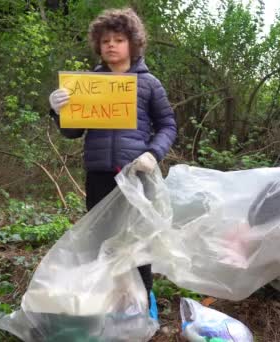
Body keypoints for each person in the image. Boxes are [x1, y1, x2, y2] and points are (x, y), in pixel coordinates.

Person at [47, 7, 177, 309]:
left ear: (133, 43)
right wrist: (58, 111)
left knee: (138, 244)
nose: (111, 45)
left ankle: (145, 305)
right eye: (105, 40)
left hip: (136, 176)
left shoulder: (149, 84)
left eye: (118, 39)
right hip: (99, 176)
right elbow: (72, 132)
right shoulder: (86, 83)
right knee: (102, 244)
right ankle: (109, 305)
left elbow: (168, 125)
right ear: (98, 45)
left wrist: (152, 154)